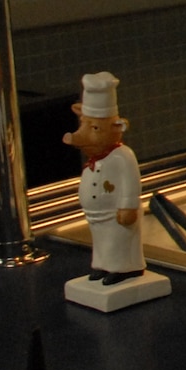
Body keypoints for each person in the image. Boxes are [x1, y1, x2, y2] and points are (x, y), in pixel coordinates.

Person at [65, 71, 145, 285]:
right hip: (97, 215)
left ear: (118, 127)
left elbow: (130, 183)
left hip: (117, 214)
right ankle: (103, 266)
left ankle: (125, 268)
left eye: (94, 128)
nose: (82, 134)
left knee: (119, 242)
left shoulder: (123, 156)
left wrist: (128, 206)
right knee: (101, 243)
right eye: (84, 125)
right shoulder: (95, 158)